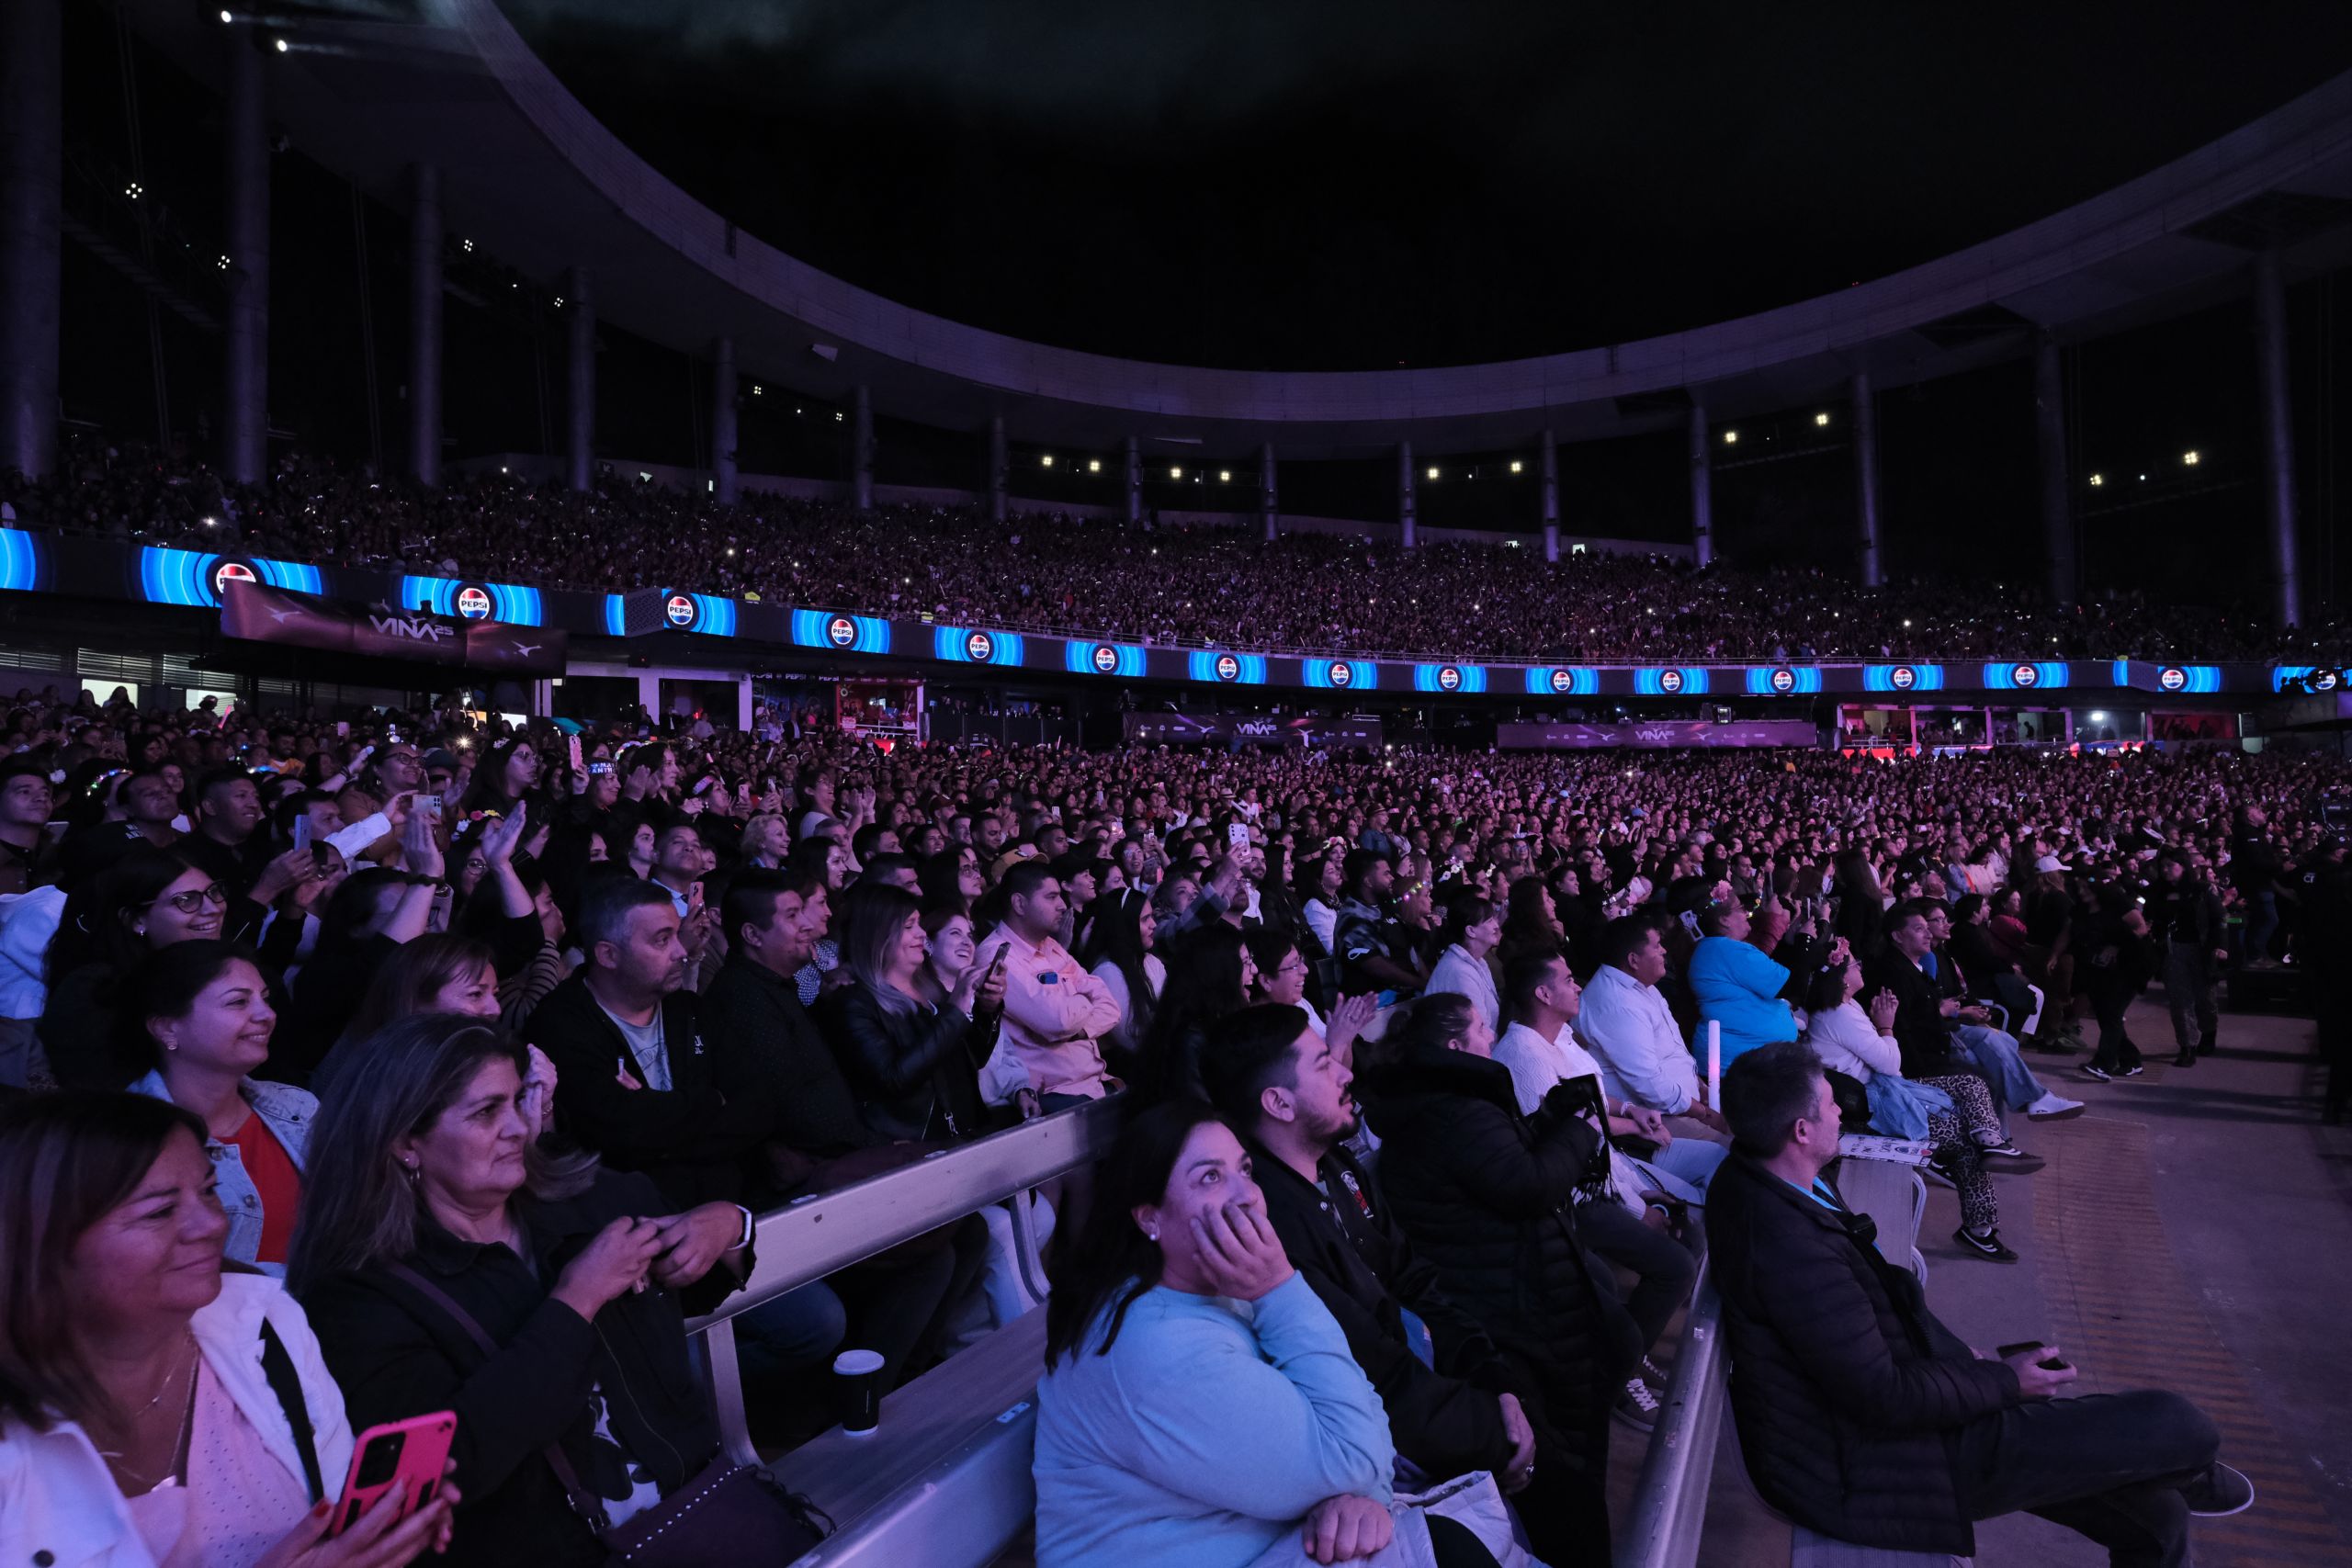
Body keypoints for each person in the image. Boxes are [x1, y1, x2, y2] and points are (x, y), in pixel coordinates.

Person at [1707, 1043, 2252, 1563]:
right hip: (1883, 1461)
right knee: (2180, 1424)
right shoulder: (1786, 1245)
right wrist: (2005, 1383)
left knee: (2159, 1522)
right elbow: (1882, 1397)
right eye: (1830, 1105)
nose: (1842, 1113)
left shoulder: (1772, 1181)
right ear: (1801, 1131)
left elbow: (1872, 1326)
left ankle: (2176, 1475)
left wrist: (1966, 1362)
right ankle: (2190, 1469)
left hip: (1897, 1426)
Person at [289, 1015, 753, 1568]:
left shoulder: (593, 1200)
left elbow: (695, 1283)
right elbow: (447, 1465)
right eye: (487, 1112)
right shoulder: (358, 1297)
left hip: (696, 1521)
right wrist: (577, 1301)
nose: (517, 1127)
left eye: (516, 1101)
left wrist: (728, 1225)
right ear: (404, 1143)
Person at [1032, 1099, 1501, 1568]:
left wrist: (1360, 1500)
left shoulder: (1217, 1288)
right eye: (1210, 1177)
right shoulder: (1155, 1348)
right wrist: (1280, 1289)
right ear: (1149, 1217)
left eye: (1246, 1169)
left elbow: (1357, 1425)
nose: (1249, 1195)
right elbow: (1356, 1453)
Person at [0, 1090, 458, 1568]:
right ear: (42, 1248)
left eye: (209, 1190)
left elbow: (333, 1512)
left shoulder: (263, 1324)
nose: (211, 1224)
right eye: (159, 1211)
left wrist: (377, 1531)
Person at [1193, 1005, 1552, 1558]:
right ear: (1278, 1102)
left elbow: (1416, 1282)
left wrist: (1493, 1377)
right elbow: (1372, 1368)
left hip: (1424, 1402)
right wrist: (1495, 1434)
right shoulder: (1266, 1220)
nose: (1346, 1072)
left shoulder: (1338, 1167)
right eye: (1322, 1065)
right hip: (1378, 1440)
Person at [1356, 992, 1636, 1546]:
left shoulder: (1445, 1100)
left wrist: (1550, 1123)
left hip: (1509, 1291)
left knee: (1566, 1452)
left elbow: (1500, 1164)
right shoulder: (1453, 1108)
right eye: (1483, 1028)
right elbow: (1527, 1185)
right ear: (1457, 1045)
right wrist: (1579, 1132)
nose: (1492, 1036)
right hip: (1511, 1305)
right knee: (1564, 1483)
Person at [1484, 952, 1700, 1425]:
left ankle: (1630, 1354)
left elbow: (1594, 1120)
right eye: (1566, 978)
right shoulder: (1523, 1057)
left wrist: (1635, 1180)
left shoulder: (1554, 1043)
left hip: (1602, 1178)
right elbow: (1574, 1151)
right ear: (1543, 994)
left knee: (1691, 1230)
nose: (1577, 985)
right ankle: (1619, 1373)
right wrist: (1633, 1204)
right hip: (1570, 1199)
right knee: (1674, 1265)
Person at [1801, 952, 2013, 1261]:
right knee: (1967, 1142)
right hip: (1873, 1109)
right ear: (1842, 979)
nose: (1861, 964)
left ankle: (1992, 1141)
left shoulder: (1848, 1006)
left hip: (1889, 1091)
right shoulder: (1838, 1015)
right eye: (1854, 963)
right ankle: (1979, 1229)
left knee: (1971, 1084)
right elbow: (1889, 1063)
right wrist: (1886, 1026)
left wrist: (1882, 1025)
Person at [815, 882, 1002, 1143]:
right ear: (877, 935)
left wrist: (988, 1008)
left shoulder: (930, 988)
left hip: (963, 1130)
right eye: (908, 926)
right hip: (915, 1145)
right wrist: (955, 1012)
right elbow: (894, 1078)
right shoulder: (854, 1003)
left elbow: (974, 1058)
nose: (921, 934)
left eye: (918, 924)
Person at [1577, 918, 1736, 1148]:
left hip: (1685, 1104)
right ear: (1633, 960)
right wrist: (1704, 1114)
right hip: (1656, 1117)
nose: (1664, 950)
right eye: (1657, 945)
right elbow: (1649, 1084)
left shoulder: (1642, 986)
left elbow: (1673, 1050)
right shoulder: (1617, 1003)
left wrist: (1701, 1088)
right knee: (1730, 1151)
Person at [974, 862, 1121, 1105]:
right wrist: (1084, 999)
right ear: (1019, 904)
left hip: (1097, 1082)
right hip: (1053, 1096)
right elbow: (1057, 1022)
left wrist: (1078, 1031)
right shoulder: (997, 955)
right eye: (1051, 897)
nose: (1063, 905)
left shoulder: (1050, 946)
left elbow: (1111, 1007)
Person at [1686, 895, 1799, 1066]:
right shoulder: (1729, 950)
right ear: (1724, 920)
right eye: (1740, 908)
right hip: (1738, 1063)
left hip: (1744, 1058)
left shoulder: (1715, 948)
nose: (1747, 912)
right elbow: (1790, 987)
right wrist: (1806, 944)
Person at [2148, 854, 2226, 1067]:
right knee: (2180, 1001)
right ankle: (2187, 1046)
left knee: (2205, 999)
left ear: (2183, 867)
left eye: (2170, 864)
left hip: (2201, 950)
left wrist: (2220, 946)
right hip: (2173, 950)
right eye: (2162, 866)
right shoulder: (2157, 891)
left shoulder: (2201, 890)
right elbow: (2150, 916)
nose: (2165, 869)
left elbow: (2220, 918)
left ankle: (2208, 1035)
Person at [1079, 887, 1164, 1069]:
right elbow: (1131, 1040)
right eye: (1145, 919)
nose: (1154, 925)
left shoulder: (1153, 962)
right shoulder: (1107, 973)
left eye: (1152, 917)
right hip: (1133, 1070)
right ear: (1124, 926)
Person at [1424, 895, 1503, 1032]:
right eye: (1490, 921)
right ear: (1471, 931)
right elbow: (1480, 1031)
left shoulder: (1478, 961)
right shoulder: (1459, 972)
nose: (1496, 926)